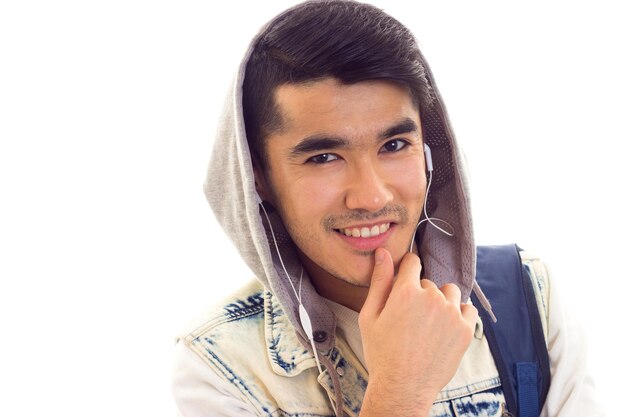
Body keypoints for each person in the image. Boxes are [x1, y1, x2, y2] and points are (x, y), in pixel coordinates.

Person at [171, 1, 603, 416]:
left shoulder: (525, 294)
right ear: (257, 177)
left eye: (394, 145)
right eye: (323, 157)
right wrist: (400, 391)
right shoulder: (220, 364)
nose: (373, 197)